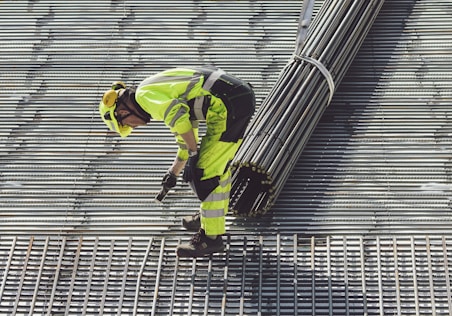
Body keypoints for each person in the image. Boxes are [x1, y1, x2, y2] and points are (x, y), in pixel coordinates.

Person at [98, 66, 255, 257]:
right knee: (214, 167)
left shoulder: (144, 97)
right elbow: (186, 132)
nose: (134, 126)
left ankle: (210, 239)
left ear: (122, 111)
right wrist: (173, 173)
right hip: (233, 100)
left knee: (205, 172)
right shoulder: (151, 92)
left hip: (229, 104)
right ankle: (209, 218)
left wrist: (193, 155)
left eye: (128, 124)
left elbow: (179, 119)